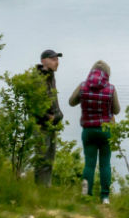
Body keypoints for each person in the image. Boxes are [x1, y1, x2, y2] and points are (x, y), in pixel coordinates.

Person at [69, 59, 120, 203]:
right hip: (106, 131)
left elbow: (71, 102)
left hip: (88, 131)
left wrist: (84, 97)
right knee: (105, 164)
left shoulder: (83, 86)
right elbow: (116, 110)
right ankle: (105, 197)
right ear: (107, 74)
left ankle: (86, 194)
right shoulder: (111, 89)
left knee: (89, 164)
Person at [32, 49, 64, 185]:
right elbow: (33, 104)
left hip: (52, 125)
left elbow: (52, 100)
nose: (57, 62)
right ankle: (39, 189)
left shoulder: (51, 77)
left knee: (50, 159)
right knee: (42, 159)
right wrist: (48, 118)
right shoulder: (38, 78)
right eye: (53, 59)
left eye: (57, 59)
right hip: (42, 126)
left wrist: (57, 116)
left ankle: (46, 189)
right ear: (44, 61)